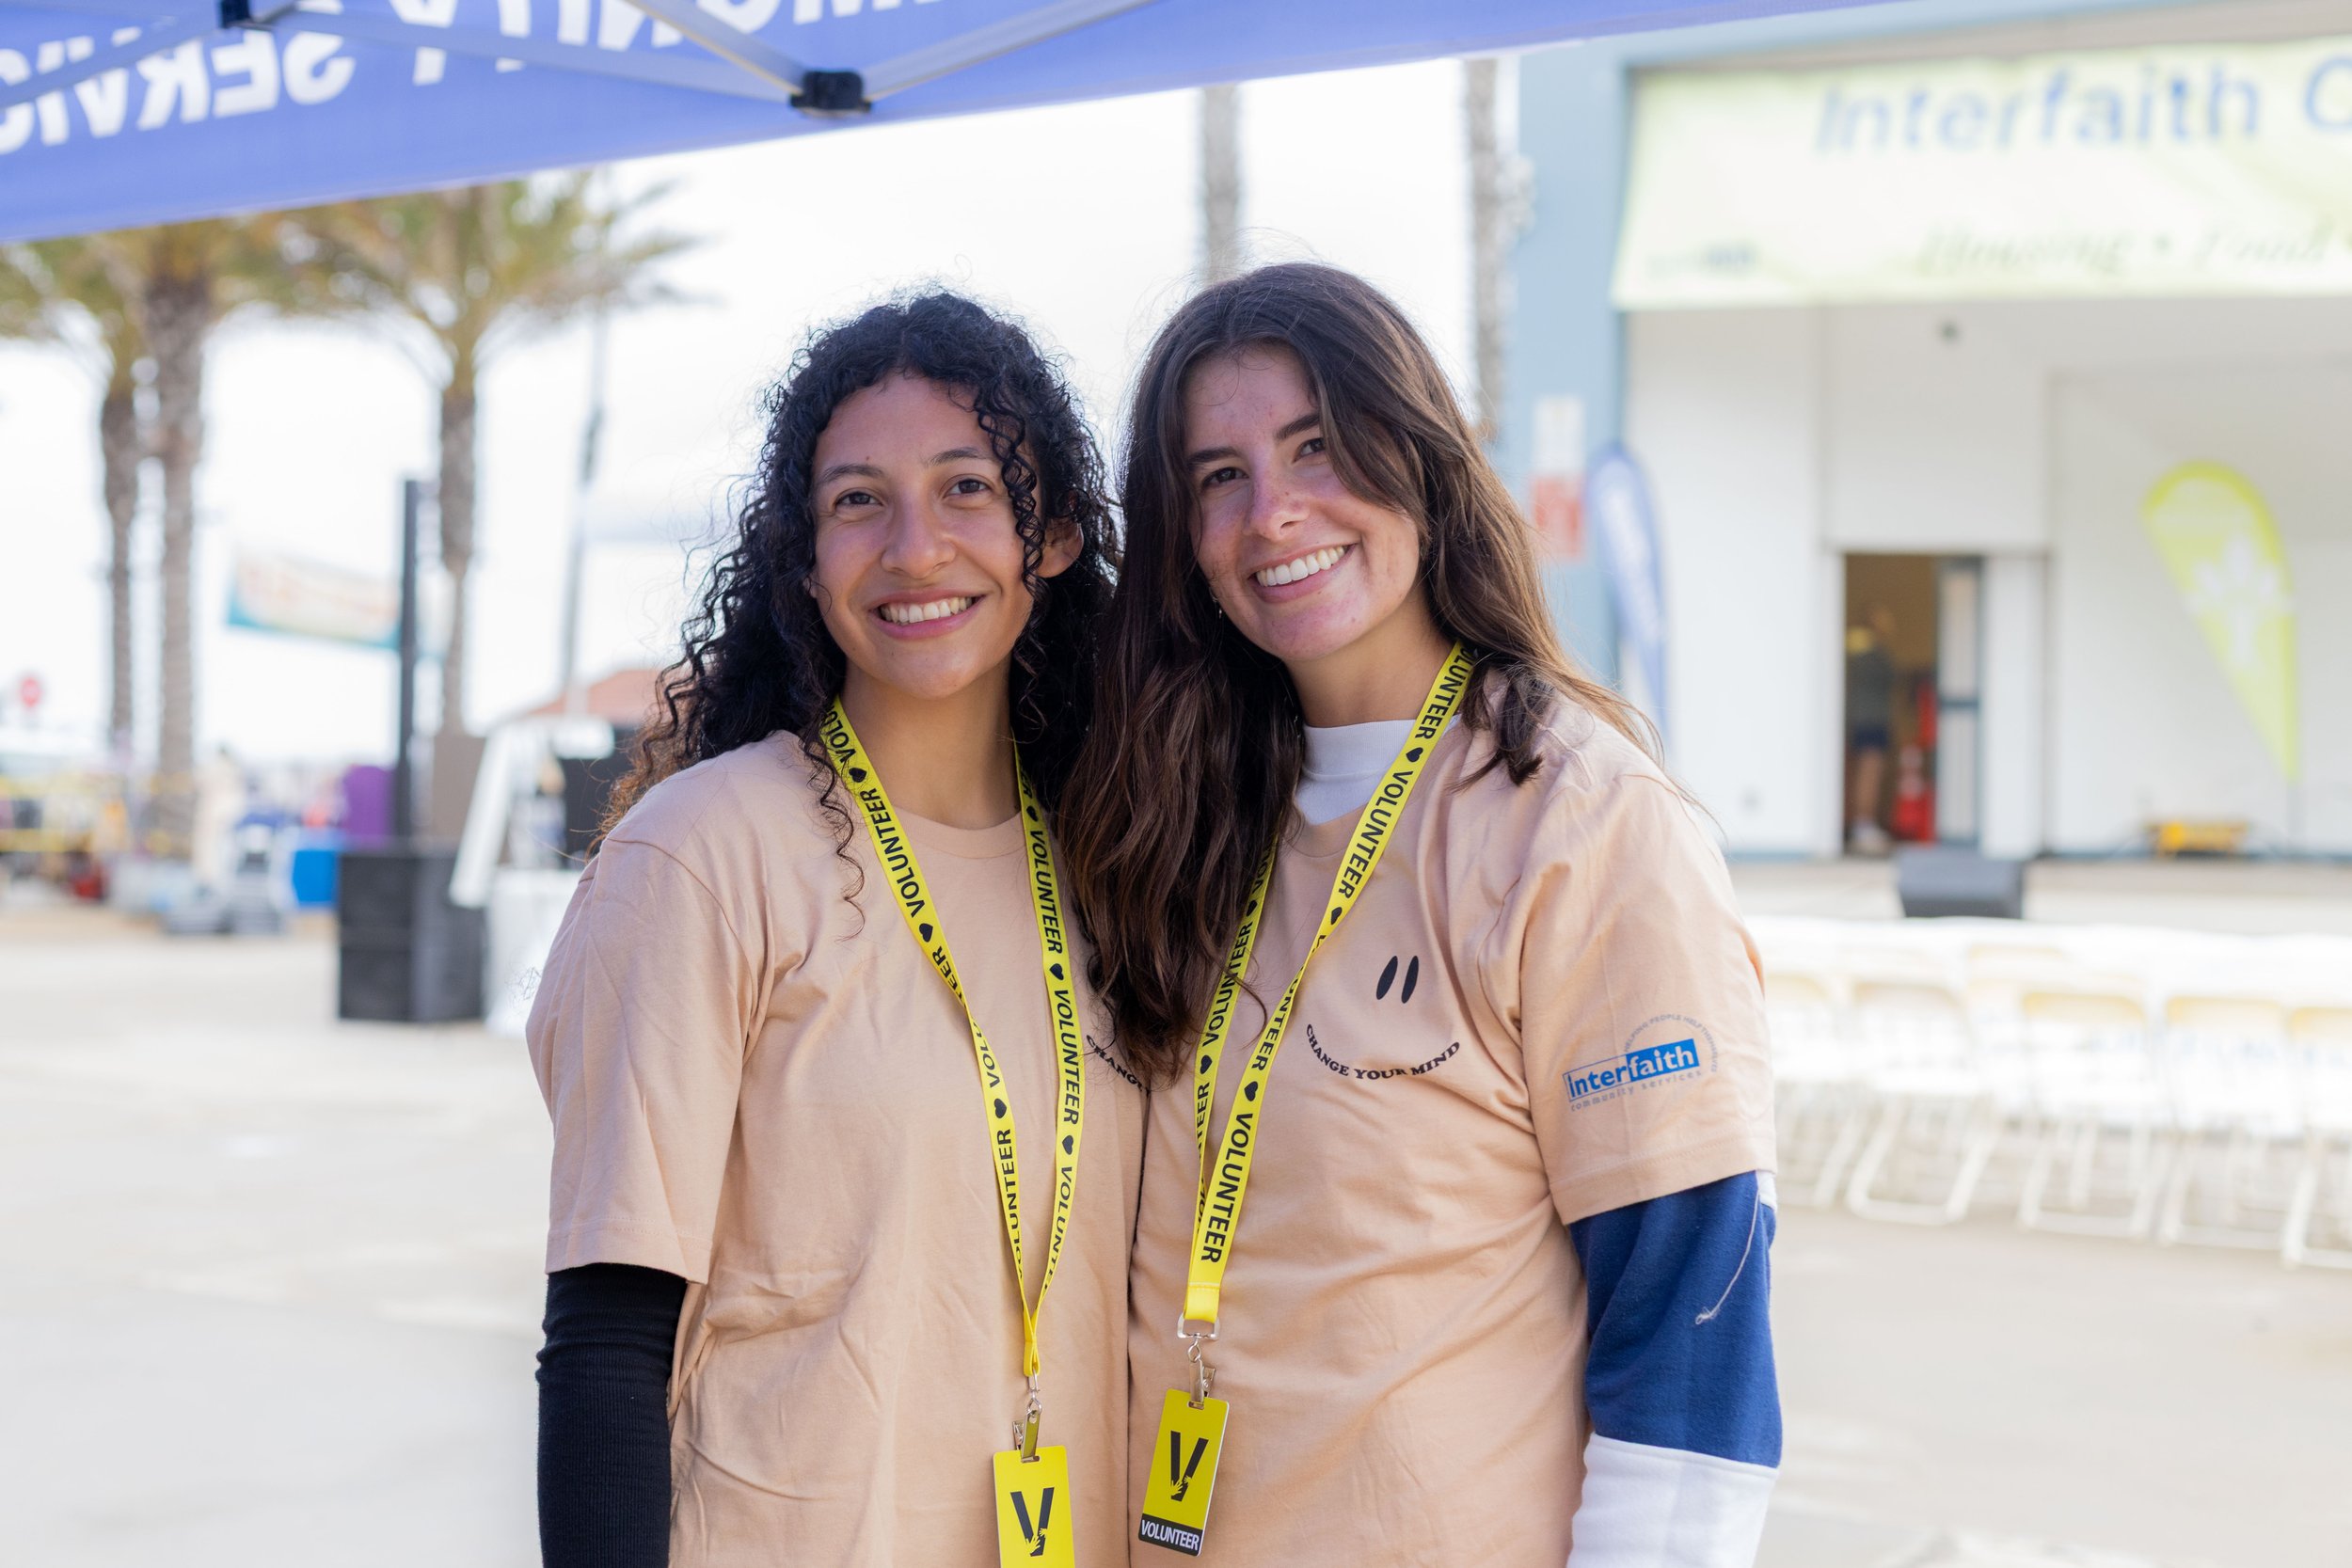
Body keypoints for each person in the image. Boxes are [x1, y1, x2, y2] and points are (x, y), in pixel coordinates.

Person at [1059, 263, 1782, 1568]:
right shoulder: (1176, 812)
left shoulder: (1580, 820)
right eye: (1219, 475)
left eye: (1318, 445)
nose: (1274, 513)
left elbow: (1693, 1319)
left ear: (1422, 452)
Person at [526, 292, 1141, 1568]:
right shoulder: (701, 854)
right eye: (859, 499)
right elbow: (605, 1339)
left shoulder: (1109, 862)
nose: (917, 546)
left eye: (969, 487)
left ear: (1062, 535)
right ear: (804, 558)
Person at [1844, 606, 1898, 855]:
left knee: (1870, 771)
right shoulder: (1866, 650)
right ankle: (1862, 825)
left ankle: (1864, 824)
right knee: (1869, 772)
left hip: (1870, 719)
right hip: (1868, 721)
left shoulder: (1867, 649)